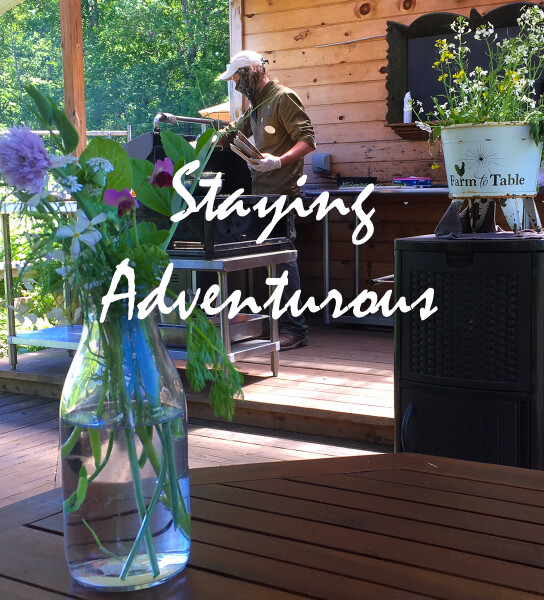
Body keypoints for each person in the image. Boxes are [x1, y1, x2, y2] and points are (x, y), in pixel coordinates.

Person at [217, 50, 316, 350]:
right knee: (272, 261)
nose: (235, 84)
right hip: (261, 193)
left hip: (281, 192)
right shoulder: (257, 105)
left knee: (283, 261)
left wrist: (278, 161)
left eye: (236, 77)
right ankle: (281, 325)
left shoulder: (283, 98)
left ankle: (295, 330)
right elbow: (235, 133)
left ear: (250, 73)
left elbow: (308, 139)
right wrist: (208, 139)